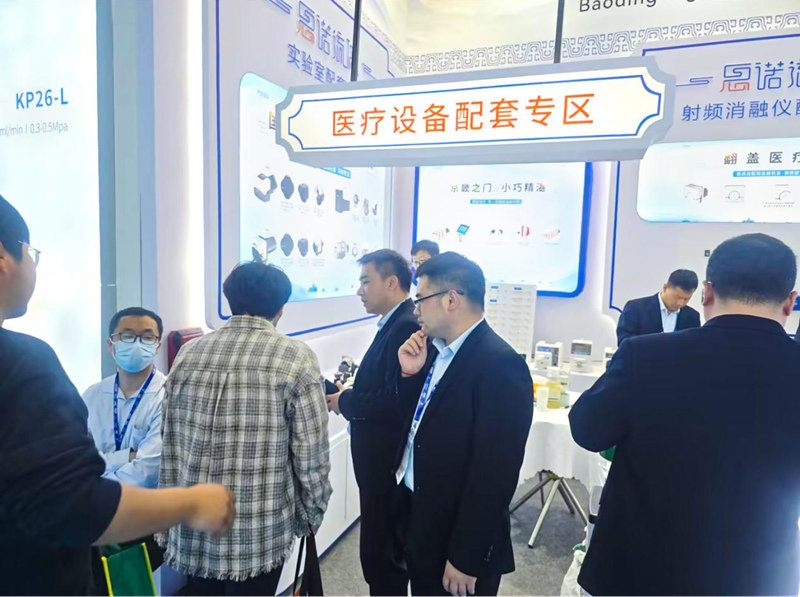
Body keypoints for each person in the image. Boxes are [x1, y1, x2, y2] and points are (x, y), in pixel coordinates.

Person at [0, 195, 235, 596]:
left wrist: (100, 468)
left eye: (146, 337)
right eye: (31, 252)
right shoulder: (27, 365)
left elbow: (144, 467)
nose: (136, 345)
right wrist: (194, 503)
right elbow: (74, 500)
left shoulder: (167, 392)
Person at [570, 233, 800, 596]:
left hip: (638, 568)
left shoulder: (645, 356)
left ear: (706, 293)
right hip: (757, 575)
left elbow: (587, 429)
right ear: (790, 301)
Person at [159, 261, 332, 596]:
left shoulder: (189, 353)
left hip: (195, 522)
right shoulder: (296, 357)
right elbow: (311, 452)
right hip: (259, 530)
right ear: (281, 308)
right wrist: (312, 512)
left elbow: (170, 437)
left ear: (229, 300)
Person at [395, 252, 533, 596]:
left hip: (457, 540)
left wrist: (467, 556)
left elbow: (495, 473)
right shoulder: (436, 351)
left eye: (421, 299)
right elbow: (422, 428)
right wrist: (410, 375)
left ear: (451, 300)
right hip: (423, 519)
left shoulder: (500, 364)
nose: (416, 310)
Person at [325, 249, 419, 596]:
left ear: (391, 283)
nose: (359, 290)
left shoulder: (406, 325)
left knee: (383, 557)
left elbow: (395, 401)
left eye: (366, 281)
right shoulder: (395, 322)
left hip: (386, 461)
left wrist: (345, 401)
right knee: (378, 552)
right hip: (379, 461)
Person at [83, 308, 166, 489]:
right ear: (110, 344)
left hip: (147, 503)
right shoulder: (92, 395)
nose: (137, 344)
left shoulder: (167, 396)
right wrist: (127, 456)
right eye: (127, 336)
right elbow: (78, 460)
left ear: (158, 346)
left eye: (147, 337)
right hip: (94, 501)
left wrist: (94, 485)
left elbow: (147, 472)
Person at [616, 269, 701, 345]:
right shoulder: (635, 308)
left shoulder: (692, 317)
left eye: (686, 299)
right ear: (665, 288)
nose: (680, 303)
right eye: (677, 297)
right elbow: (624, 342)